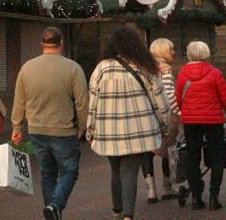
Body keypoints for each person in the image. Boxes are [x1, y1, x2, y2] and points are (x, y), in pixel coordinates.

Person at [87, 27, 169, 220]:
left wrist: (90, 129)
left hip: (108, 131)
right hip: (138, 131)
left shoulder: (102, 68)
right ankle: (128, 216)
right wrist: (165, 124)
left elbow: (93, 102)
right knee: (129, 172)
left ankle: (117, 210)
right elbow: (161, 101)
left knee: (115, 171)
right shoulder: (146, 67)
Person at [12, 27, 89, 220]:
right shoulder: (73, 68)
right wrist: (83, 126)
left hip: (37, 130)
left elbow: (19, 100)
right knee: (69, 171)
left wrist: (16, 127)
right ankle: (55, 206)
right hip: (64, 130)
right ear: (61, 43)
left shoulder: (27, 68)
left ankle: (53, 211)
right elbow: (82, 102)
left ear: (42, 44)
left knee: (47, 173)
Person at [175, 40, 226, 211]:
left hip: (191, 122)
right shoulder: (215, 73)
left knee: (192, 157)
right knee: (217, 157)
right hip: (213, 121)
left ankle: (196, 197)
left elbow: (179, 98)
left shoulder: (182, 73)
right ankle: (214, 197)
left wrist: (187, 111)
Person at [148, 38, 183, 203]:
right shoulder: (165, 71)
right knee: (166, 153)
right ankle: (166, 188)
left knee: (147, 155)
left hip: (148, 118)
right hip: (165, 120)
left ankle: (151, 190)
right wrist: (180, 113)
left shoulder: (146, 68)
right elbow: (169, 97)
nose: (174, 52)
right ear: (162, 51)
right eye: (171, 49)